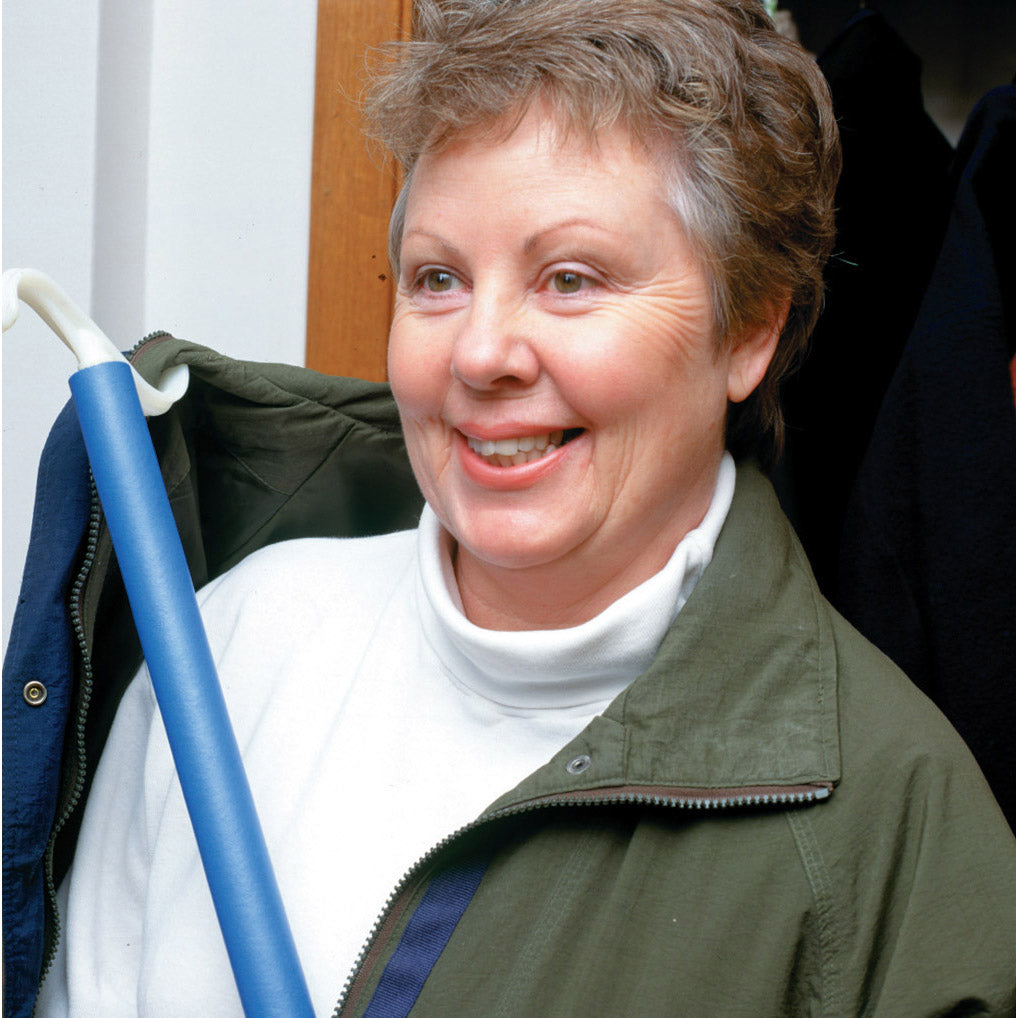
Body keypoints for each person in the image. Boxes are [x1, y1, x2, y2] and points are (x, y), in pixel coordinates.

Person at [19, 1, 1013, 1015]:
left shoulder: (894, 818)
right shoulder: (233, 644)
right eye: (438, 279)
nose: (482, 351)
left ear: (749, 329)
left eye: (570, 279)